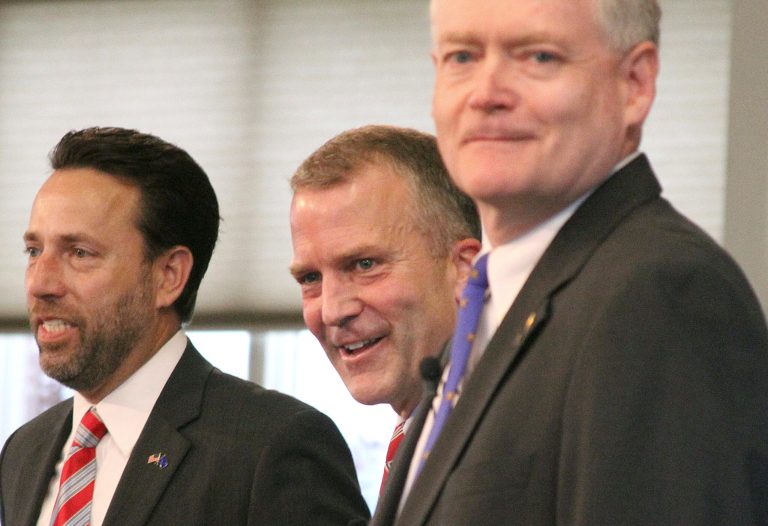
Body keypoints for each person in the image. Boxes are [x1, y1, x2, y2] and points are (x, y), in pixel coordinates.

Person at [374, 1, 768, 524]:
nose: (486, 93)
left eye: (538, 56)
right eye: (462, 56)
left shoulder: (661, 295)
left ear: (635, 84)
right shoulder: (492, 304)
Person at [0, 127, 370, 526]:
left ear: (169, 276)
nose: (40, 283)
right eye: (34, 251)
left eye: (80, 253)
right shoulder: (25, 451)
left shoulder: (273, 446)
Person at [288, 125, 481, 499]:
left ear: (464, 269)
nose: (331, 310)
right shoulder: (419, 434)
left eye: (364, 265)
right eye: (310, 277)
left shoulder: (520, 427)